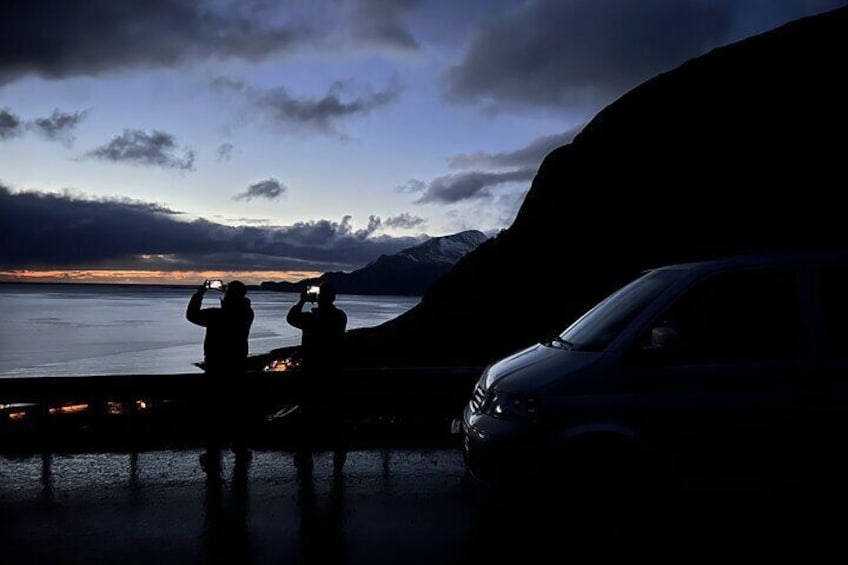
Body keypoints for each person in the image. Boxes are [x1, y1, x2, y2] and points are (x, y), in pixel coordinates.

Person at [186, 280, 255, 460]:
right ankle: (240, 448)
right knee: (237, 412)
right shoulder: (247, 313)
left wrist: (201, 293)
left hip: (216, 370)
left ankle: (213, 452)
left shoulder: (217, 315)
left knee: (215, 413)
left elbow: (192, 315)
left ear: (228, 295)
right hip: (237, 368)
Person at [286, 281, 348, 476]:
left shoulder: (311, 319)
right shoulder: (340, 316)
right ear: (334, 298)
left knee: (308, 414)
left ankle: (306, 454)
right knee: (334, 414)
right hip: (332, 371)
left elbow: (291, 318)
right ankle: (339, 455)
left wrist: (302, 301)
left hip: (312, 372)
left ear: (319, 298)